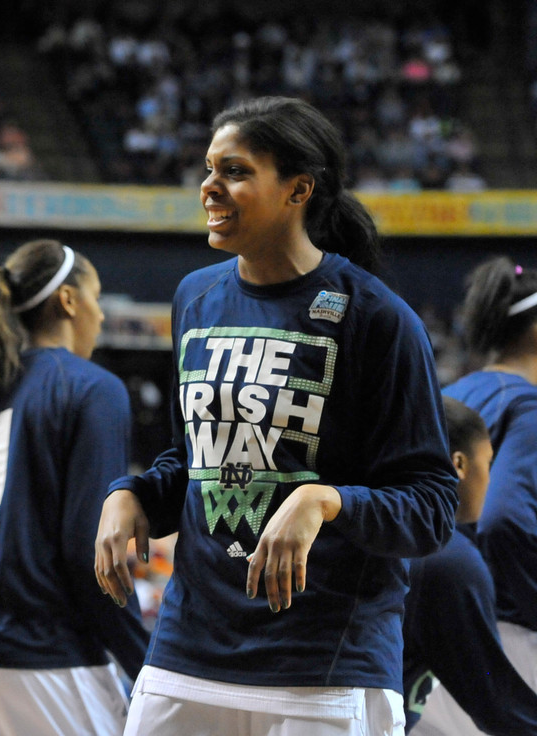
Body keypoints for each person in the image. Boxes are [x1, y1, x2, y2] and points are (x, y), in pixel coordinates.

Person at [94, 96, 458, 736]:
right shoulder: (196, 297)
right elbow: (197, 462)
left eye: (234, 171)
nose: (209, 186)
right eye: (208, 169)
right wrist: (133, 495)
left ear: (298, 190)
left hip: (325, 667)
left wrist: (324, 501)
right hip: (188, 653)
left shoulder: (376, 317)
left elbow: (431, 507)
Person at [0, 239, 150, 736]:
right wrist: (147, 661)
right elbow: (88, 548)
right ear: (68, 300)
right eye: (96, 298)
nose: (101, 316)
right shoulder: (91, 387)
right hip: (33, 650)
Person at [431, 256, 537, 727]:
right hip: (506, 634)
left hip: (433, 634)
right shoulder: (527, 404)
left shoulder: (452, 396)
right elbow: (504, 520)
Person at [402, 396, 537, 734]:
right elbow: (493, 695)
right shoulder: (445, 554)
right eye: (488, 465)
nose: (489, 481)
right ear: (459, 464)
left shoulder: (381, 523)